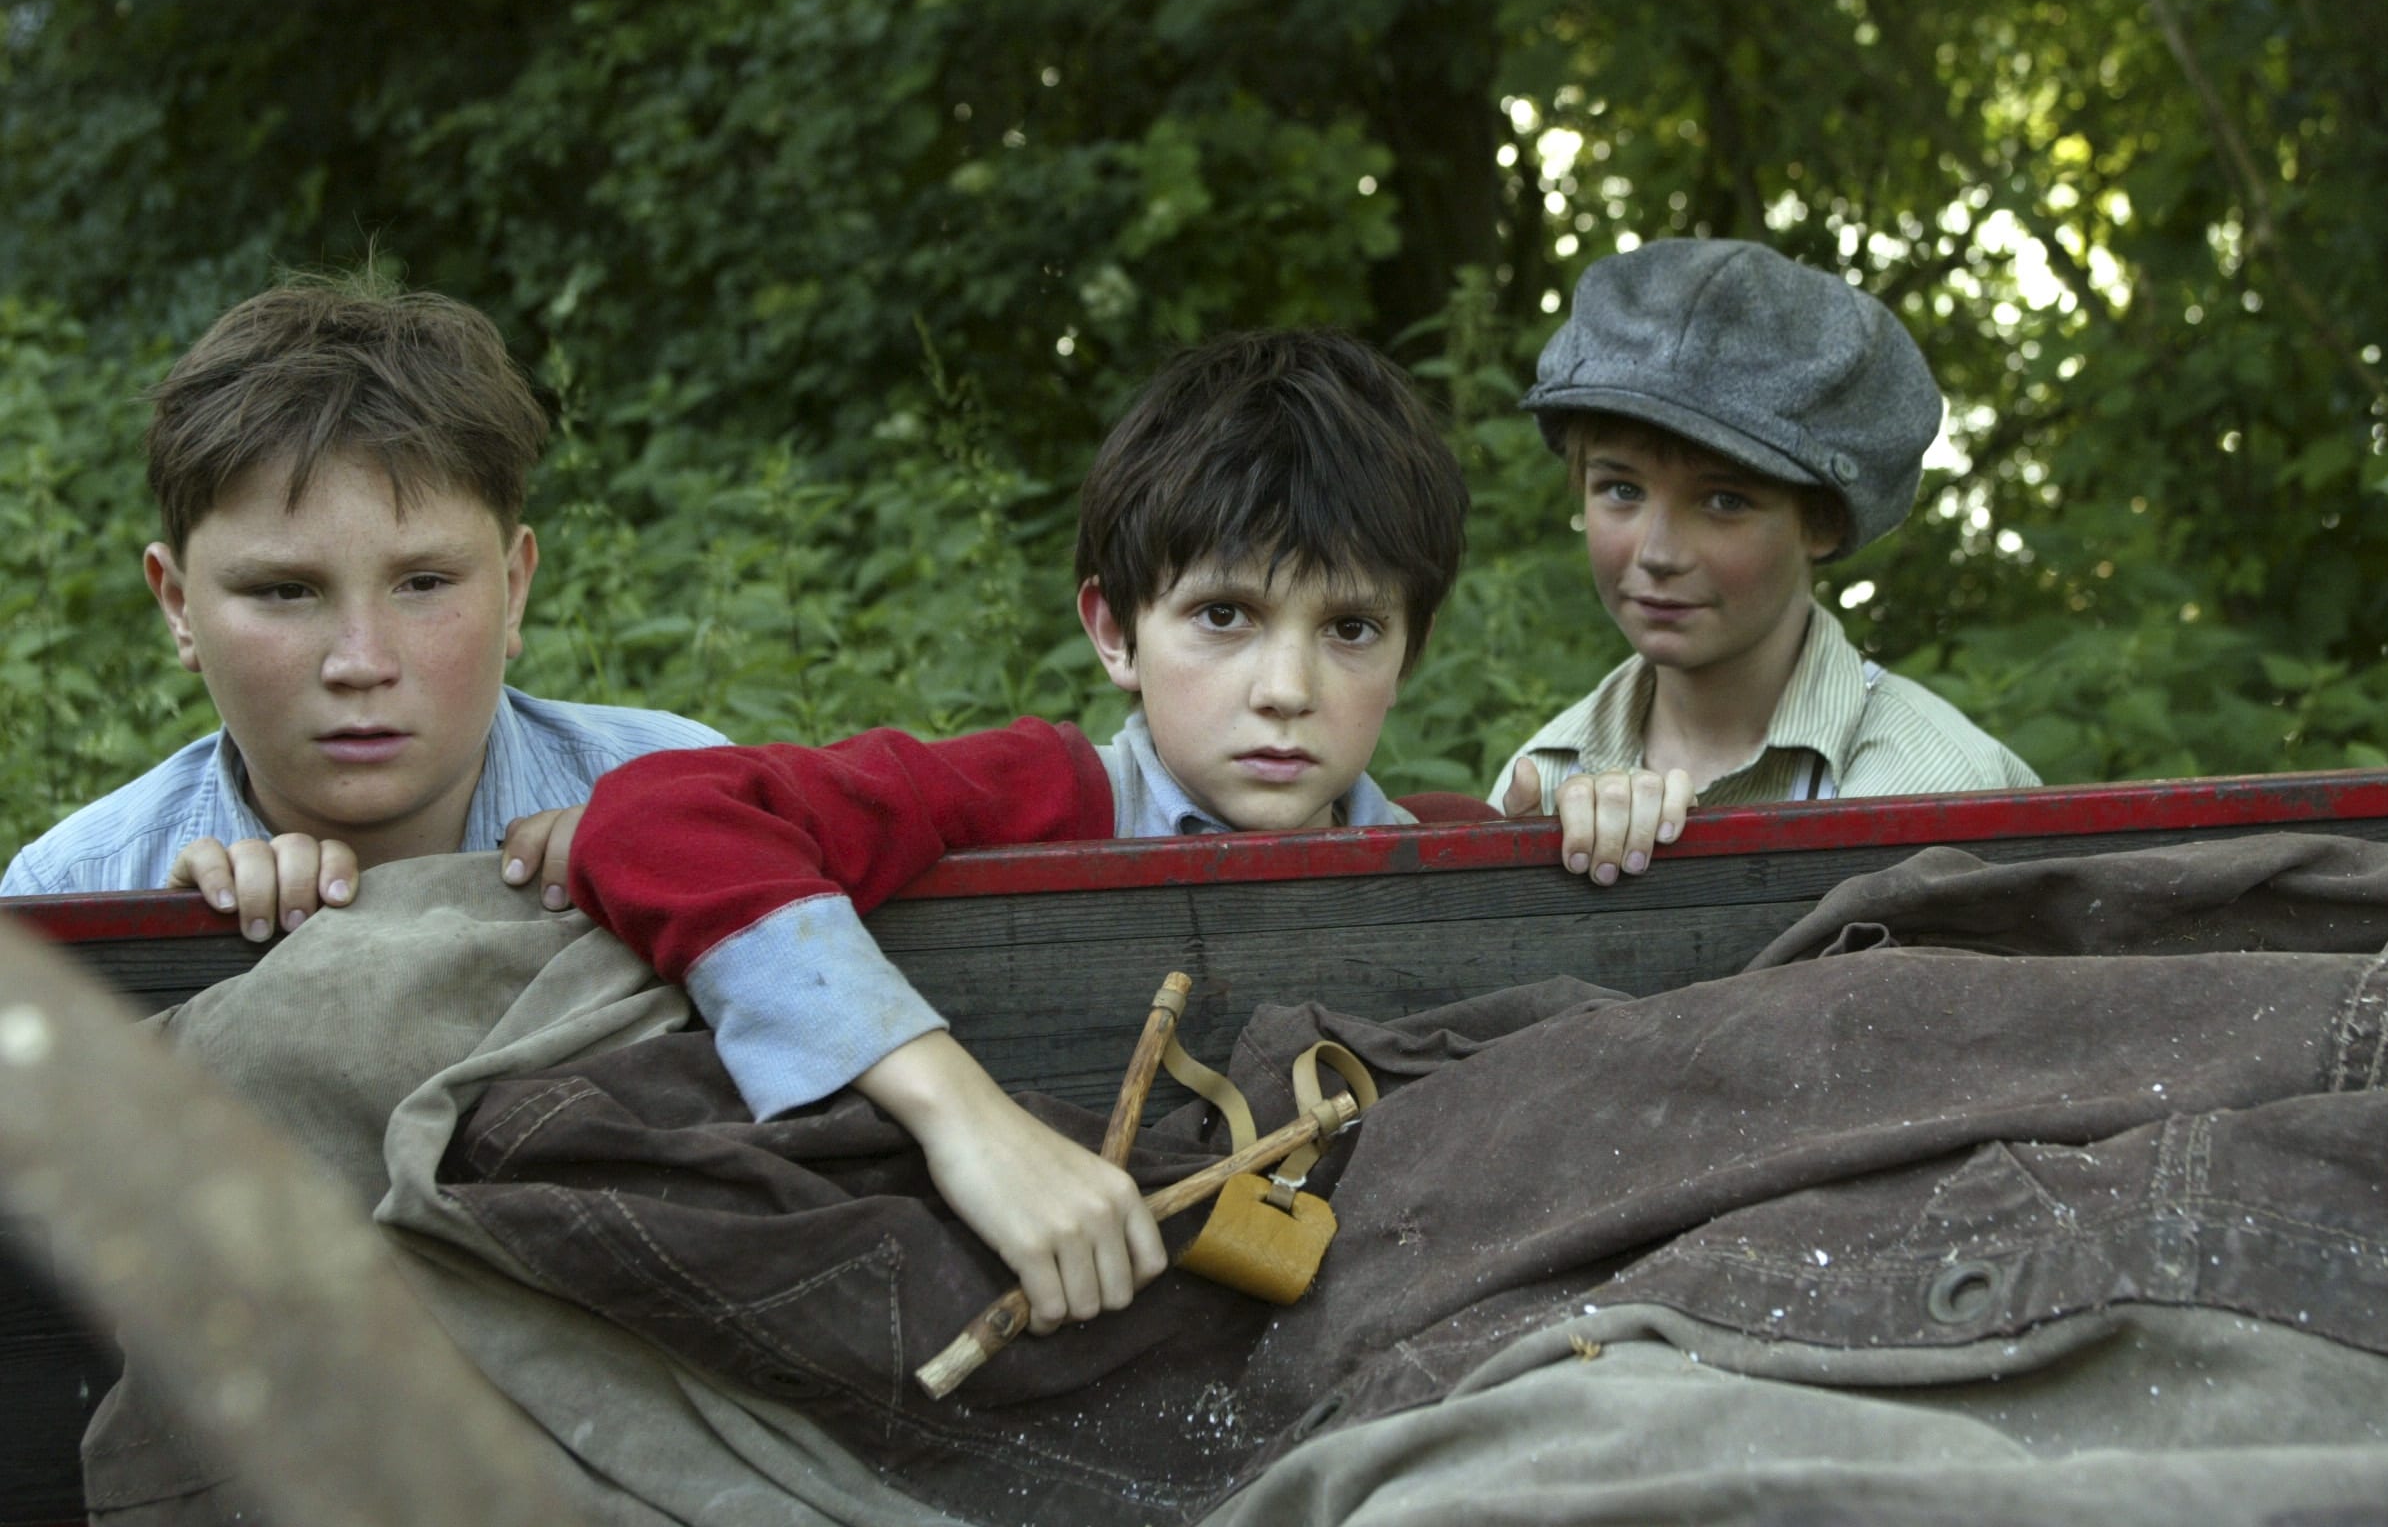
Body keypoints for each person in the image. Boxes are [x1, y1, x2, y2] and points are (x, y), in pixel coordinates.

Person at [565, 327, 1469, 1342]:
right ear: (1114, 632)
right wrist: (968, 1119)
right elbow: (657, 817)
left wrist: (1609, 825)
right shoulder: (1044, 794)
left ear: (1410, 649)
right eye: (1224, 614)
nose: (1285, 691)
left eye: (1350, 629)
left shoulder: (1455, 857)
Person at [0, 272, 725, 934]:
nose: (360, 662)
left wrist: (686, 887)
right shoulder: (74, 891)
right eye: (284, 591)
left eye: (424, 583)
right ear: (180, 608)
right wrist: (165, 951)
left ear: (514, 590)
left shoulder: (703, 801)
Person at [1491, 239, 2038, 865]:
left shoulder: (1934, 786)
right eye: (1621, 489)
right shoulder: (1542, 774)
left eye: (1724, 502)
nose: (1659, 552)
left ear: (1824, 521)